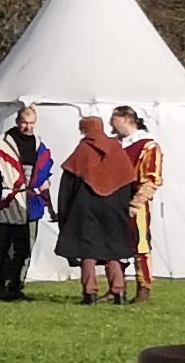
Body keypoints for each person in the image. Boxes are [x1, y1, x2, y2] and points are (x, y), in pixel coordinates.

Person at [54, 114, 143, 304]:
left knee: (88, 251)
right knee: (113, 251)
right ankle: (119, 292)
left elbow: (67, 187)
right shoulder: (116, 150)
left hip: (85, 208)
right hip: (114, 208)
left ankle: (90, 293)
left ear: (84, 129)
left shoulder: (82, 151)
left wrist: (64, 214)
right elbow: (128, 180)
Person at [0, 109, 53, 302]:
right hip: (7, 200)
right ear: (18, 121)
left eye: (32, 123)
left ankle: (15, 287)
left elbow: (43, 177)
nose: (28, 127)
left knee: (23, 248)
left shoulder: (38, 145)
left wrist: (49, 204)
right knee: (2, 247)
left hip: (29, 202)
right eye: (25, 123)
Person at [113, 104, 164, 300]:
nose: (112, 124)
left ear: (126, 119)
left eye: (114, 119)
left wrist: (136, 203)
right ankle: (117, 288)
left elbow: (152, 179)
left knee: (140, 245)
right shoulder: (115, 145)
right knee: (115, 245)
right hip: (113, 201)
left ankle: (144, 288)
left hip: (136, 202)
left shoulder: (148, 146)